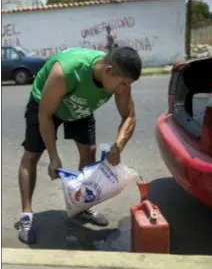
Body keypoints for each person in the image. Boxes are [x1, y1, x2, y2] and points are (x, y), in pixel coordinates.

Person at [18, 46, 142, 244]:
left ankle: (82, 206)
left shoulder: (120, 79)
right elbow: (45, 115)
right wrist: (53, 156)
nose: (123, 89)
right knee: (32, 155)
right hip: (46, 105)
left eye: (127, 85)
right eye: (122, 84)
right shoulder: (66, 71)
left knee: (89, 151)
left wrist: (118, 146)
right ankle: (26, 215)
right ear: (108, 70)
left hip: (79, 106)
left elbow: (129, 116)